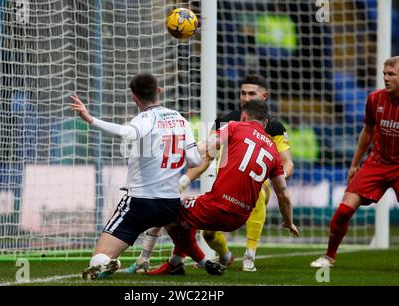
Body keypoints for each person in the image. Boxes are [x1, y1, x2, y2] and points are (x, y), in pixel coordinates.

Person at [126, 74, 294, 273]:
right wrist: (183, 181)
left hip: (243, 193)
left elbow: (287, 162)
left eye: (251, 94)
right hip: (232, 206)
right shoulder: (225, 121)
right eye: (243, 93)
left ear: (264, 96)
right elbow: (207, 158)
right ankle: (219, 256)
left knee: (167, 210)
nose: (246, 98)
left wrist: (175, 152)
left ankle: (247, 256)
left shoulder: (261, 126)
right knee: (207, 234)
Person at [69, 73, 204, 279]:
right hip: (170, 205)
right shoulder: (180, 119)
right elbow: (195, 160)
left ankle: (108, 262)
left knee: (97, 260)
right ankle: (185, 261)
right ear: (159, 91)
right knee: (172, 222)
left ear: (133, 97)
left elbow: (125, 133)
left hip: (141, 203)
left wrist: (90, 119)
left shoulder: (145, 118)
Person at [310, 56, 399, 268]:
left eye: (391, 74)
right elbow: (367, 132)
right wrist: (354, 163)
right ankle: (329, 257)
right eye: (384, 74)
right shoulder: (375, 99)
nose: (386, 78)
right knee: (343, 211)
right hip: (377, 162)